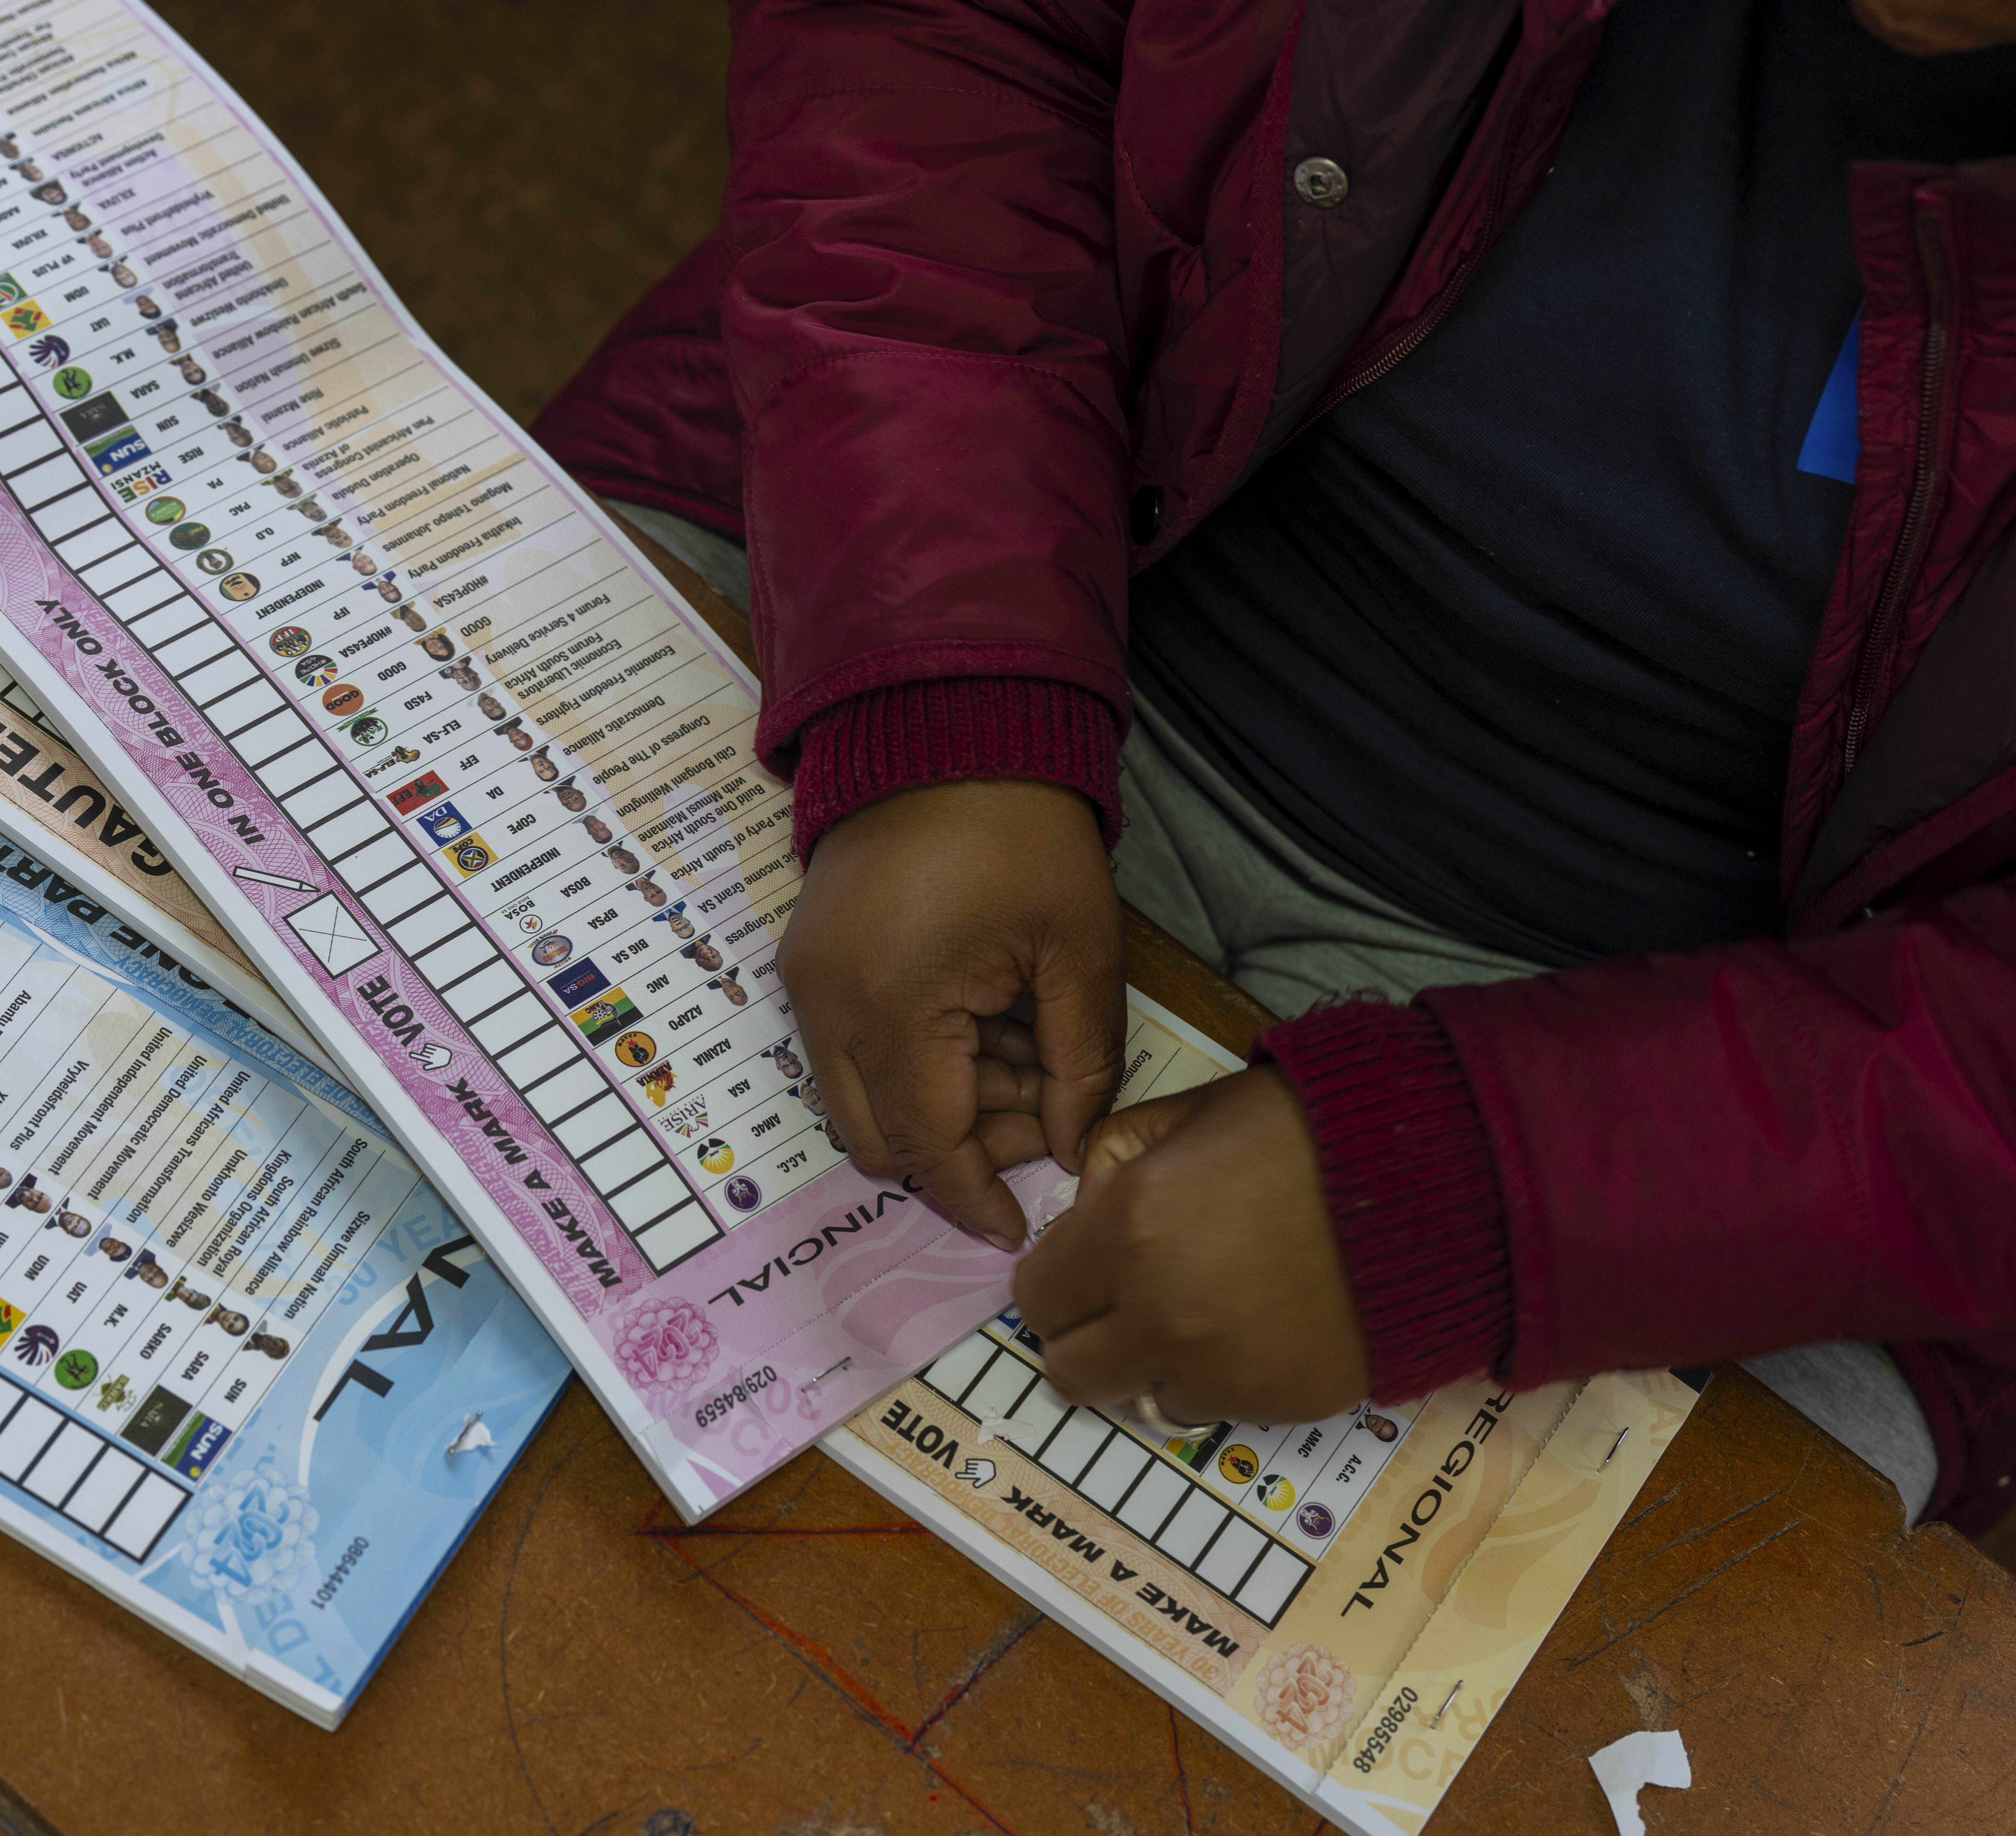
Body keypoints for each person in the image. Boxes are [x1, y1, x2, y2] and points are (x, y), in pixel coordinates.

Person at [534, 0, 2016, 1533]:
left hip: (1773, 1054)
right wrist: (942, 703)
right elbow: (948, 52)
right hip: (949, 510)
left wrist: (1501, 1192)